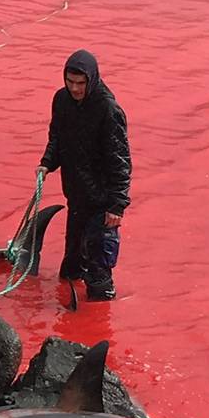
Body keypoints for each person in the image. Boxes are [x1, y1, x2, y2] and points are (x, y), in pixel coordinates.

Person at [39, 50, 131, 306]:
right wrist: (47, 163)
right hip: (76, 196)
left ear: (91, 80)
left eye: (81, 83)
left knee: (99, 281)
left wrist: (117, 205)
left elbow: (120, 161)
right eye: (70, 82)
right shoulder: (61, 100)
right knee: (70, 271)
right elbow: (56, 136)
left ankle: (101, 320)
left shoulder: (109, 110)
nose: (75, 88)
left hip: (102, 203)